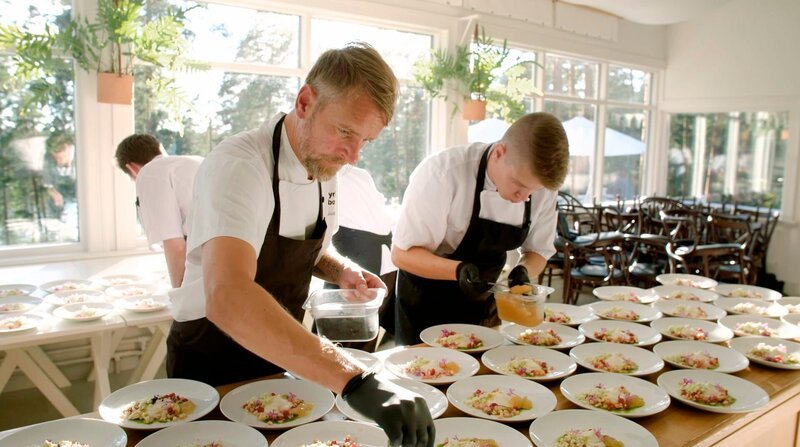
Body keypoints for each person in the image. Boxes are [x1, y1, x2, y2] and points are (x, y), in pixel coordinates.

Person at [168, 42, 434, 446]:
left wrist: (340, 269)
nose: (352, 155)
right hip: (212, 364)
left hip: (280, 356)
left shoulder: (323, 165)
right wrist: (355, 379)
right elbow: (227, 294)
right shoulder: (240, 166)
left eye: (366, 141)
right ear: (306, 101)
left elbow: (309, 247)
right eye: (345, 131)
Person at [392, 112, 570, 345]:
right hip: (424, 303)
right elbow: (402, 254)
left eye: (532, 192)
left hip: (483, 305)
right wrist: (458, 270)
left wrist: (524, 270)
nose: (522, 198)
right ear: (498, 153)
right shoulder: (443, 173)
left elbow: (538, 251)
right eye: (518, 185)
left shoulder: (541, 185)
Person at [323, 165, 398, 349]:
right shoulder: (354, 174)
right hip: (371, 261)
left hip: (372, 263)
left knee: (348, 346)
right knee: (341, 344)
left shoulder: (353, 174)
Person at [114, 134, 203, 287]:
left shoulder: (149, 173)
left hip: (209, 259)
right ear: (159, 149)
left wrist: (178, 291)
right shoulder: (197, 161)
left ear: (132, 168)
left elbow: (175, 246)